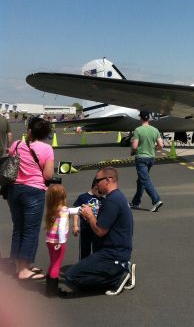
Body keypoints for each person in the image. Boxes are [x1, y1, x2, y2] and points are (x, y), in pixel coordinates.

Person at [62, 167, 135, 296]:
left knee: (71, 277)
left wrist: (90, 216)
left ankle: (118, 277)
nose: (96, 183)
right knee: (77, 273)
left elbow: (100, 231)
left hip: (112, 254)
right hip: (113, 251)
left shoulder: (112, 201)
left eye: (98, 180)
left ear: (108, 180)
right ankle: (119, 270)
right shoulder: (115, 197)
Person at [7, 117, 54, 280]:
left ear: (29, 131)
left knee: (18, 227)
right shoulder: (46, 149)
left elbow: (10, 161)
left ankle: (17, 265)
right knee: (30, 230)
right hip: (33, 190)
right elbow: (48, 174)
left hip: (14, 189)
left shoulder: (17, 145)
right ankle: (24, 269)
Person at [44, 184, 81, 295]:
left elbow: (71, 210)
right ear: (63, 196)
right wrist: (62, 241)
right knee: (57, 264)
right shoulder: (63, 210)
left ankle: (49, 287)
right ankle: (53, 291)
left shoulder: (52, 209)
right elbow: (61, 226)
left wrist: (80, 208)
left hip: (50, 240)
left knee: (52, 263)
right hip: (58, 242)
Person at [129, 109, 164, 212]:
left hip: (141, 158)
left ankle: (156, 200)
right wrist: (154, 149)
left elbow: (135, 146)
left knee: (145, 180)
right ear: (149, 118)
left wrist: (132, 152)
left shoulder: (138, 130)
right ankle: (136, 202)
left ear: (140, 118)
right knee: (141, 180)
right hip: (151, 158)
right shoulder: (155, 130)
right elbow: (161, 145)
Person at [72, 179, 103, 260]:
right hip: (86, 228)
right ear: (96, 187)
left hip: (97, 228)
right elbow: (76, 212)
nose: (102, 195)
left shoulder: (102, 199)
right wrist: (75, 225)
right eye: (101, 192)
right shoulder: (83, 197)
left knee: (98, 250)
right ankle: (83, 267)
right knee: (85, 250)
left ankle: (95, 267)